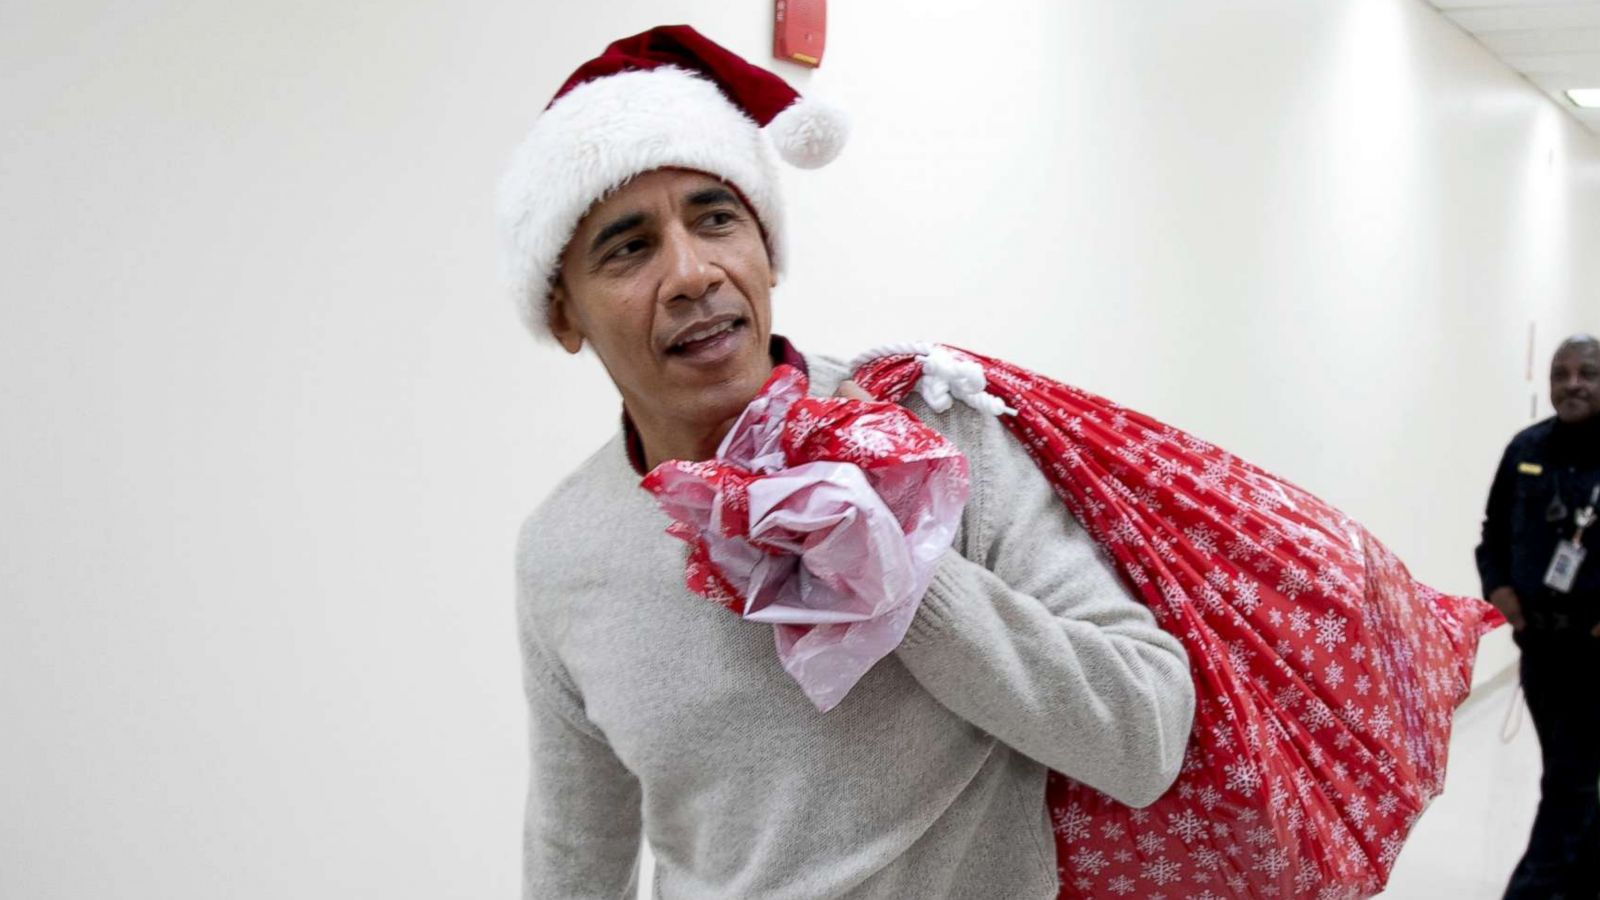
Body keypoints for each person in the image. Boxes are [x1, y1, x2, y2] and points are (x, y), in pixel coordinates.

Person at [499, 26, 1195, 899]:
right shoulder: (562, 551)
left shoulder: (936, 430)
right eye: (628, 247)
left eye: (717, 218)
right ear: (565, 316)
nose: (691, 272)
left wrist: (906, 577)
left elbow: (1146, 734)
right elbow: (574, 855)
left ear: (767, 254)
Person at [1476, 333, 1600, 899]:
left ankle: (1534, 889)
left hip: (1596, 652)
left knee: (1570, 780)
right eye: (1561, 373)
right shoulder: (1525, 449)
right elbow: (1492, 535)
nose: (1572, 384)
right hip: (1541, 651)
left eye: (1587, 373)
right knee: (1569, 773)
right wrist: (1498, 587)